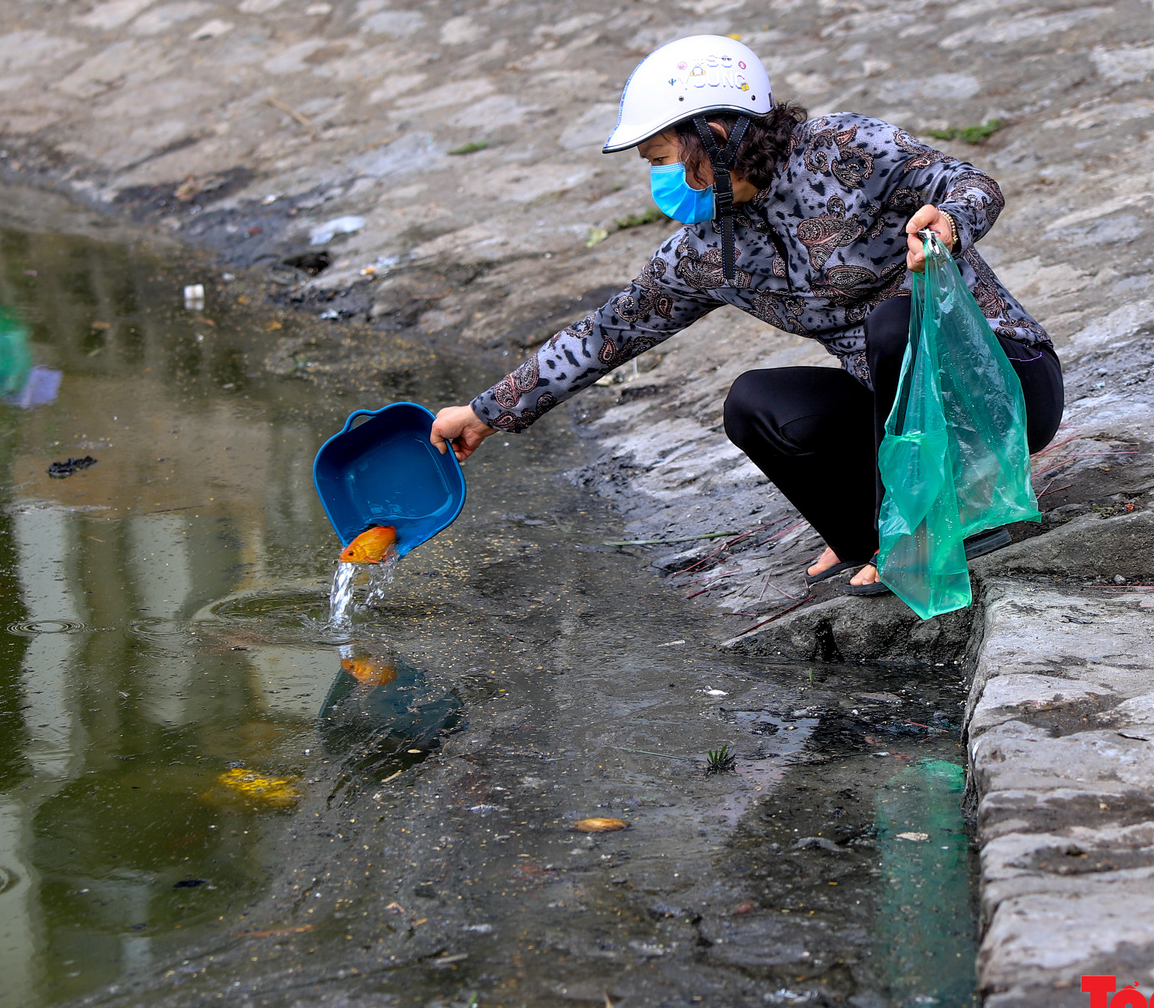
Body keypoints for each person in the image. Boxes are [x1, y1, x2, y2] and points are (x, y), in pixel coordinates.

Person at [428, 36, 1064, 597]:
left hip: (1001, 385)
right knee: (753, 401)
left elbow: (973, 181)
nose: (660, 177)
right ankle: (866, 535)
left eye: (661, 158)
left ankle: (921, 531)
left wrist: (949, 224)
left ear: (716, 135)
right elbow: (605, 335)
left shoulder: (841, 148)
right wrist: (483, 414)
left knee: (893, 325)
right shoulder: (708, 251)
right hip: (895, 403)